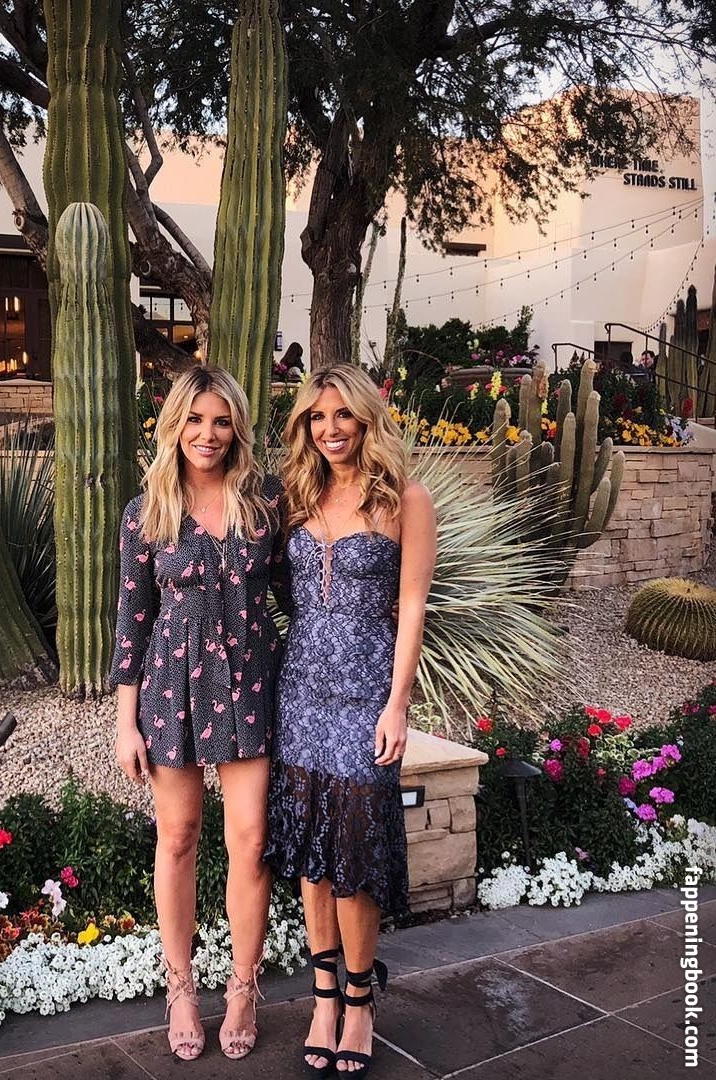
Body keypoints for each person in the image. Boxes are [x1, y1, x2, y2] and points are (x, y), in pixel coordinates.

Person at [263, 363, 436, 1077]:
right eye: (317, 416)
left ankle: (360, 1003)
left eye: (343, 415)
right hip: (301, 689)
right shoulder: (296, 495)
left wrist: (398, 703)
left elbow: (413, 607)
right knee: (312, 851)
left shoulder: (405, 498)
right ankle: (324, 999)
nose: (330, 429)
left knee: (356, 856)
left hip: (367, 694)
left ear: (367, 419)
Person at [110, 365, 286, 1062]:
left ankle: (243, 986)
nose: (207, 434)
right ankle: (180, 988)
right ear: (174, 425)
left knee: (250, 841)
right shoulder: (145, 511)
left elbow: (299, 586)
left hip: (249, 681)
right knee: (178, 835)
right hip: (171, 688)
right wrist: (125, 721)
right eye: (194, 419)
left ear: (236, 428)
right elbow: (132, 616)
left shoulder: (265, 502)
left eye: (220, 421)